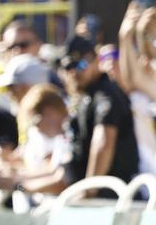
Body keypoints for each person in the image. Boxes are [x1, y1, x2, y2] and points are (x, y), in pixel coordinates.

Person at [58, 36, 141, 185]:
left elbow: (103, 142)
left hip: (111, 195)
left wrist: (90, 188)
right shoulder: (86, 96)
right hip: (95, 194)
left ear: (97, 60)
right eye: (69, 67)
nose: (74, 72)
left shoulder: (106, 93)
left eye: (81, 65)